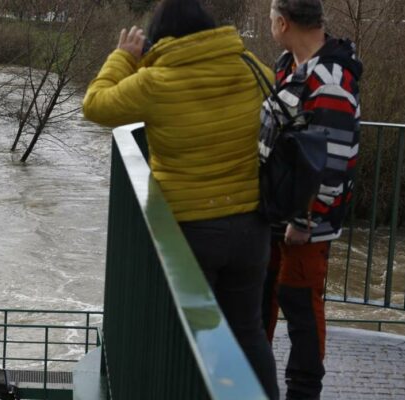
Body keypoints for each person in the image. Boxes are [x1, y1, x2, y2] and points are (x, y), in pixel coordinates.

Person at [82, 0, 279, 398]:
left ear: (161, 37)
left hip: (190, 233)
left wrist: (123, 58)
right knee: (247, 331)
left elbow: (96, 104)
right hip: (251, 227)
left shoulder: (156, 81)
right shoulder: (253, 68)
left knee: (192, 337)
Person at [259, 1, 363, 399]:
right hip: (276, 212)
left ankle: (303, 392)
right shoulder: (290, 65)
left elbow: (331, 162)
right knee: (264, 297)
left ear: (282, 22)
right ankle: (257, 383)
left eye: (271, 19)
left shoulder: (332, 79)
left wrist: (304, 221)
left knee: (299, 305)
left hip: (304, 225)